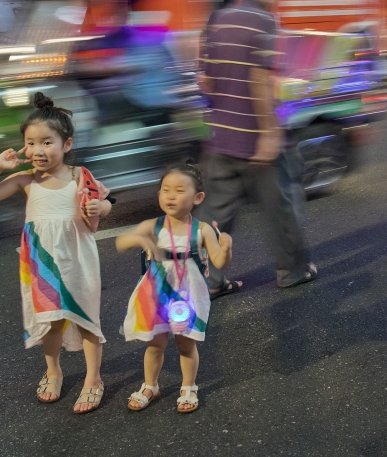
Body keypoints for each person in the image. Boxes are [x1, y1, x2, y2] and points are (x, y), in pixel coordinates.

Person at [197, 0, 317, 294]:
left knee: (216, 215)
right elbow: (260, 80)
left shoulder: (216, 20)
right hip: (256, 141)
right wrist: (268, 133)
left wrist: (223, 114)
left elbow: (205, 81)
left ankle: (209, 279)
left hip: (221, 137)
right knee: (282, 208)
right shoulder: (265, 21)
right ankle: (292, 271)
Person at [0, 93, 111, 413]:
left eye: (47, 142)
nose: (38, 150)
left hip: (79, 259)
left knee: (88, 320)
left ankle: (93, 379)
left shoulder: (80, 176)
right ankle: (53, 370)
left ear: (67, 144)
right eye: (31, 143)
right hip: (42, 263)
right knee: (50, 321)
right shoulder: (24, 180)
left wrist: (99, 206)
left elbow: (105, 202)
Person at [116, 162, 233, 413]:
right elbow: (121, 241)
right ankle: (151, 385)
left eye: (180, 190)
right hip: (155, 293)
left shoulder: (201, 230)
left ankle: (188, 387)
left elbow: (219, 261)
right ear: (159, 194)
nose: (171, 195)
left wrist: (226, 249)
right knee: (154, 344)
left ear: (197, 197)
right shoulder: (153, 225)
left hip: (187, 295)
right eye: (166, 189)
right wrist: (138, 238)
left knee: (185, 344)